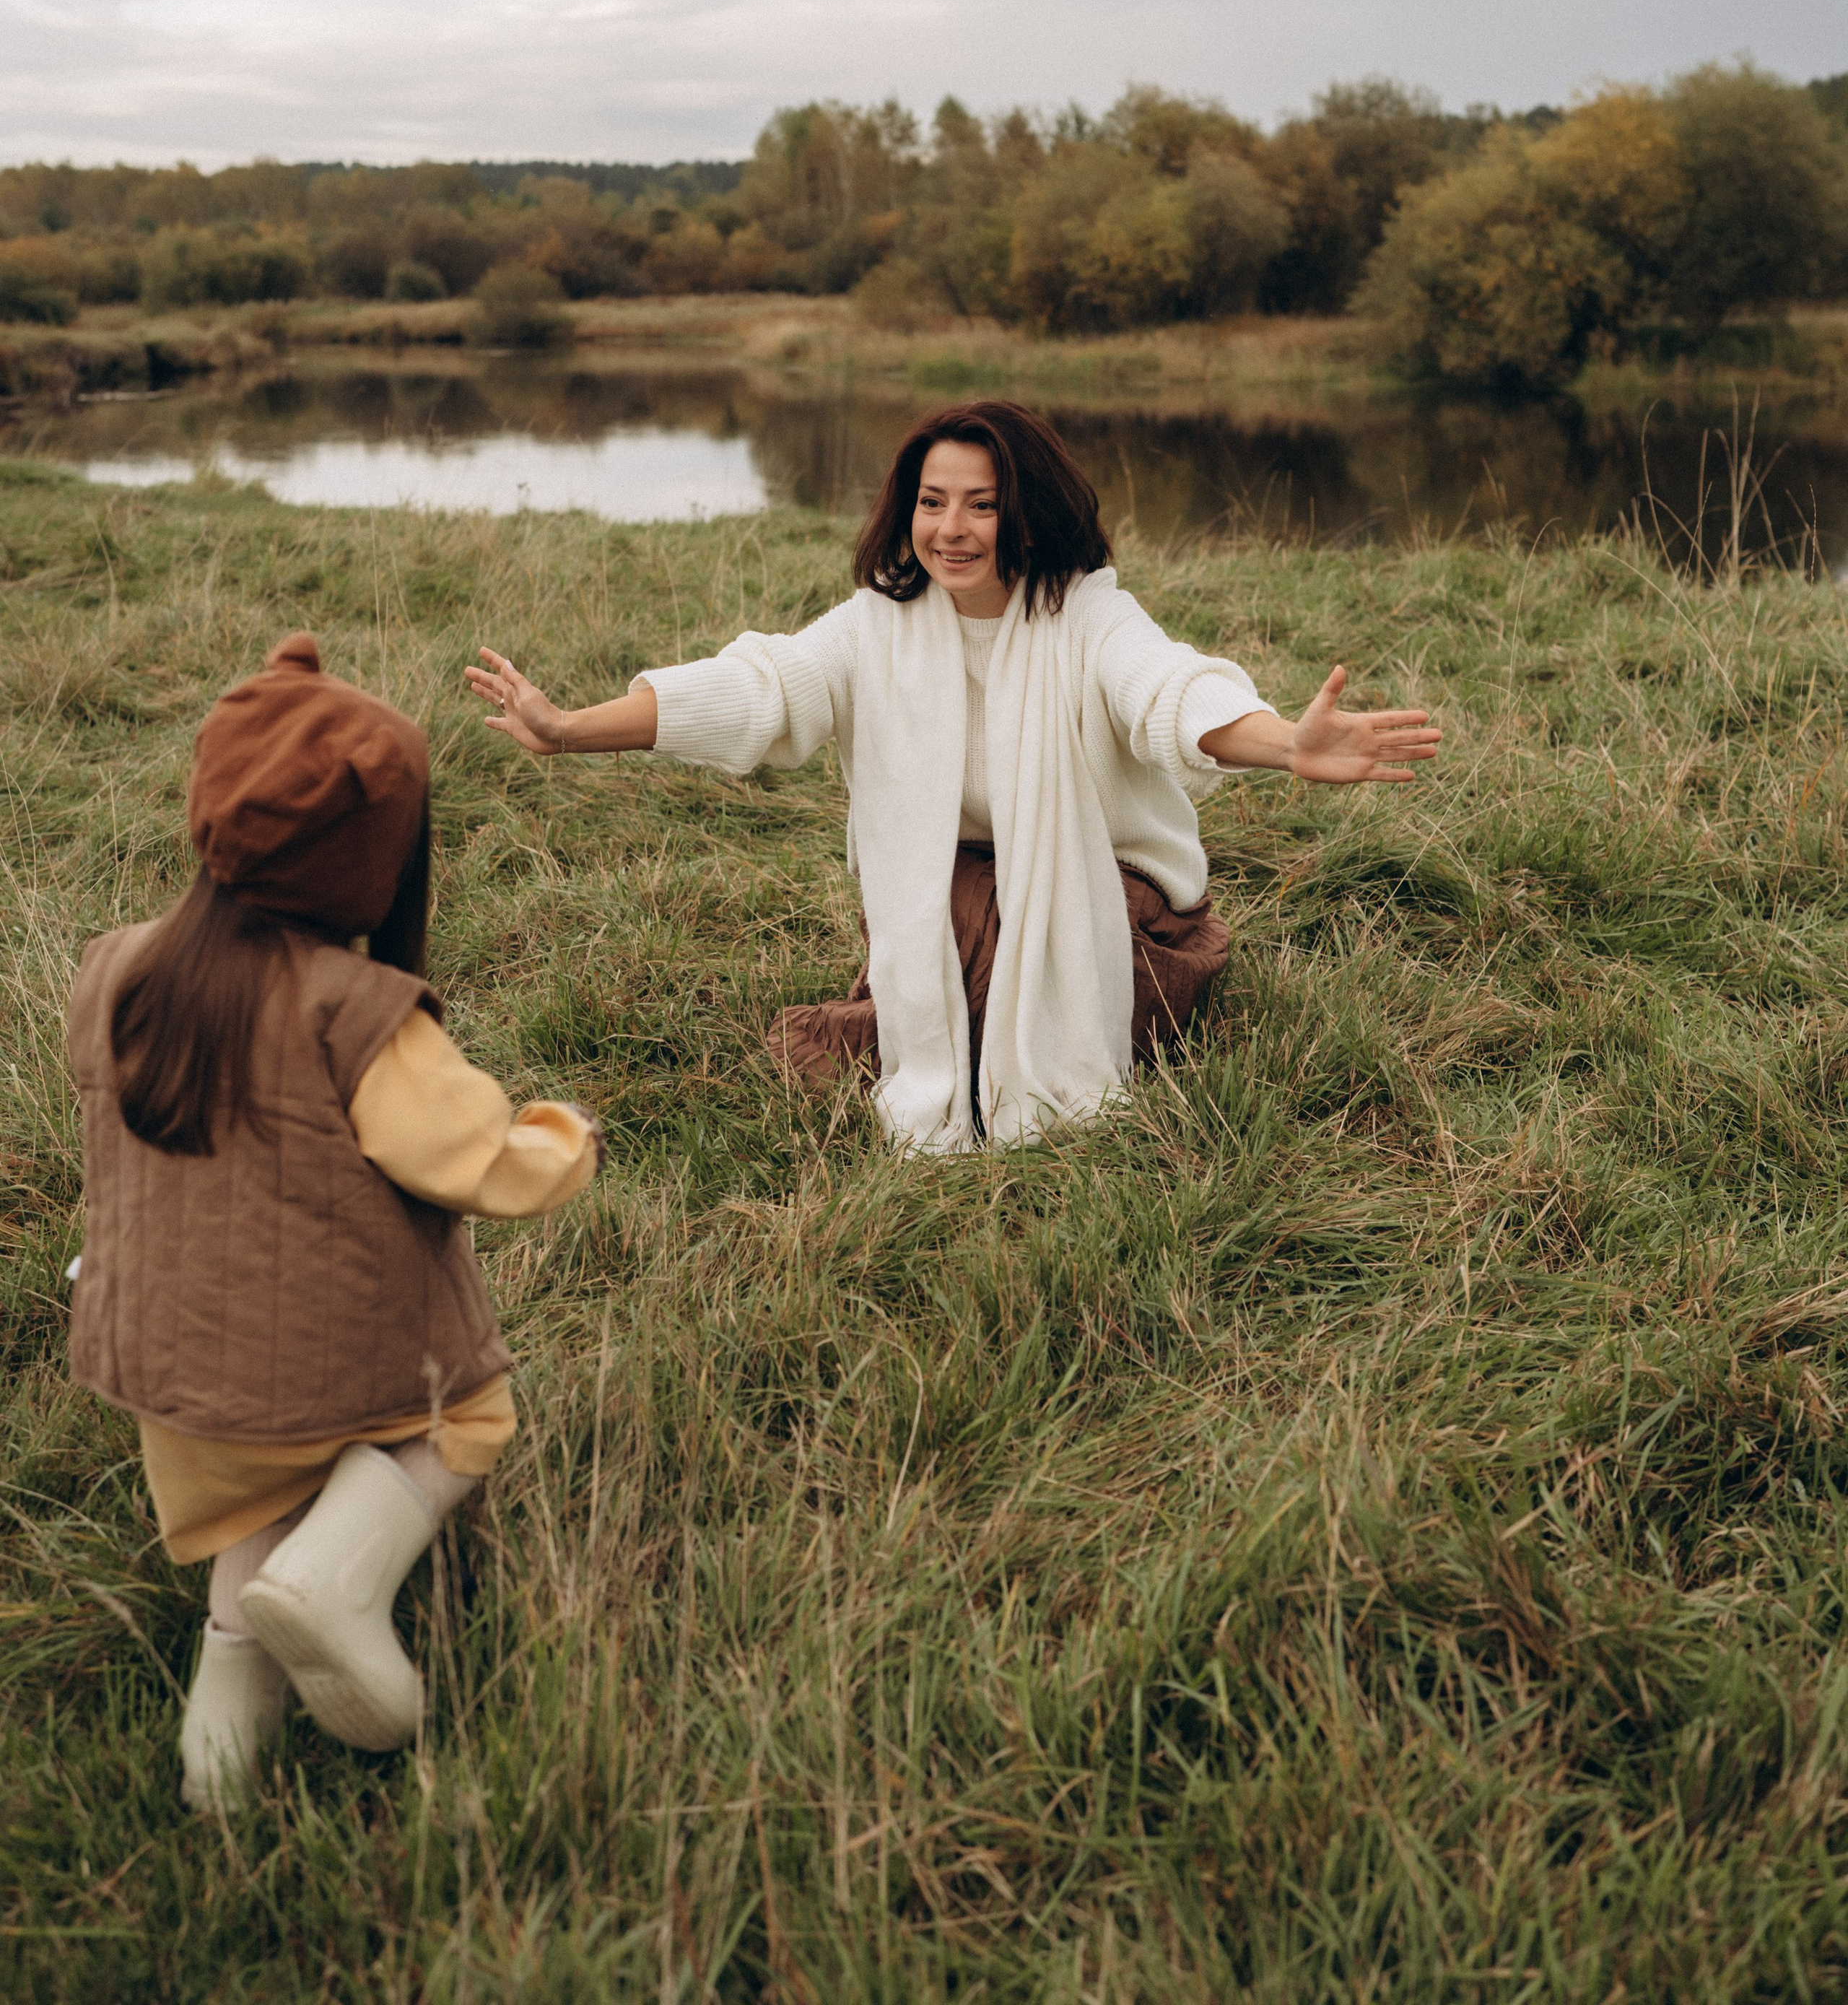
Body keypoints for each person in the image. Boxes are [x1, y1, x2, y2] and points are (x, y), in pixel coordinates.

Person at [466, 401, 1439, 1155]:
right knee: (954, 917)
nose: (953, 529)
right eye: (933, 502)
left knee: (993, 932)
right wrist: (571, 729)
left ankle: (921, 1035)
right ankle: (928, 1034)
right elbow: (761, 688)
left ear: (1027, 512)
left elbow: (1168, 691)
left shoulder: (1088, 616)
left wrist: (1285, 746)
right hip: (956, 898)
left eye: (982, 503)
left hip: (1123, 917)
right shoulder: (877, 625)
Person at [65, 632, 601, 1814]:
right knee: (469, 1411)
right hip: (314, 1373)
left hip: (164, 1375)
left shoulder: (116, 971)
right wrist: (566, 1141)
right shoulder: (355, 1013)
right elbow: (472, 1160)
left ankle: (220, 1774)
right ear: (372, 863)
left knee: (248, 1519)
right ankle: (340, 1575)